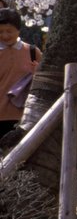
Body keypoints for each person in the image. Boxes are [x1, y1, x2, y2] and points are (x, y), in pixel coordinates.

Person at [0, 8, 41, 140]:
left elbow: (45, 78)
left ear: (18, 30)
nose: (5, 35)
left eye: (9, 31)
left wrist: (37, 73)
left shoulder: (32, 52)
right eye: (0, 31)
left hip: (25, 117)